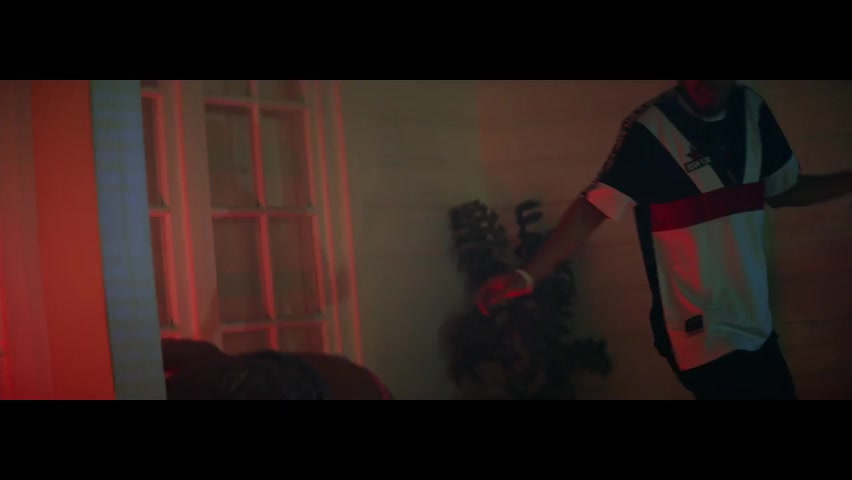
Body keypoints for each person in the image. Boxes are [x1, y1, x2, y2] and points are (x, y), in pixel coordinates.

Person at [476, 80, 852, 400]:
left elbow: (784, 189)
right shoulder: (651, 128)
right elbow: (594, 207)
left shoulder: (753, 110)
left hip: (754, 322)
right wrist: (526, 276)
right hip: (700, 332)